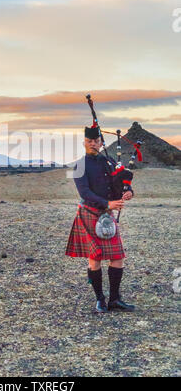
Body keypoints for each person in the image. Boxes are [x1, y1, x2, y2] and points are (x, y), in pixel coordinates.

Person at [65, 125, 135, 313]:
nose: (93, 144)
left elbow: (119, 183)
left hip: (106, 214)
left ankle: (114, 299)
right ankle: (100, 299)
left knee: (117, 257)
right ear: (84, 143)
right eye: (90, 141)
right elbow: (85, 192)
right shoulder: (80, 165)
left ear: (101, 142)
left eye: (96, 141)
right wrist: (108, 203)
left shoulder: (109, 160)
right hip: (89, 213)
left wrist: (127, 191)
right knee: (95, 259)